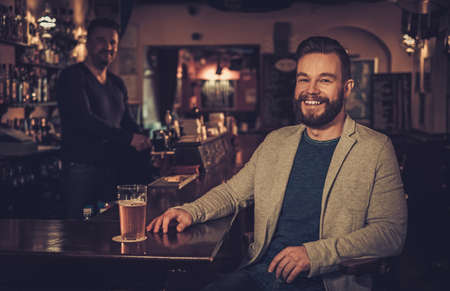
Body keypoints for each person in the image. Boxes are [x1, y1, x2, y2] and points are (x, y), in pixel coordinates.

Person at [147, 36, 407, 291]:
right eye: (304, 79)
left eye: (325, 80)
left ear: (347, 88)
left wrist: (314, 254)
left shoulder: (375, 148)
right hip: (260, 273)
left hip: (327, 282)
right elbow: (232, 193)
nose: (311, 90)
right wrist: (191, 211)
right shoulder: (276, 142)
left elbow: (390, 232)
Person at [57, 18, 152, 219]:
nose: (108, 47)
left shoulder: (116, 83)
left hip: (112, 167)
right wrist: (129, 139)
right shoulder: (72, 77)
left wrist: (144, 139)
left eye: (113, 42)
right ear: (88, 43)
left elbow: (127, 121)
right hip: (82, 168)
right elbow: (84, 120)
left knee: (105, 226)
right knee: (79, 226)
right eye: (101, 40)